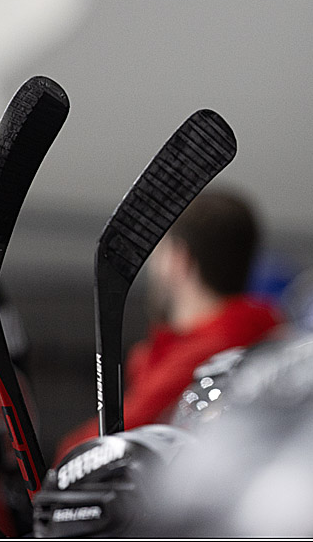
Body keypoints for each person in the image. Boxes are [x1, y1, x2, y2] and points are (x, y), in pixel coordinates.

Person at [55, 188, 285, 461]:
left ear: (178, 259)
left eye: (159, 250)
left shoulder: (205, 355)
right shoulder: (265, 335)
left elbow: (90, 450)